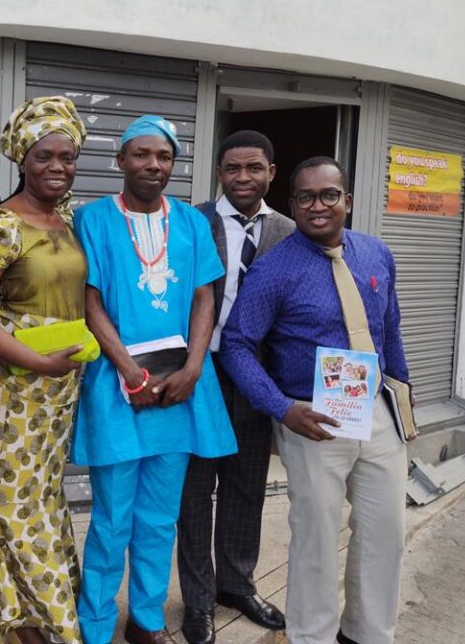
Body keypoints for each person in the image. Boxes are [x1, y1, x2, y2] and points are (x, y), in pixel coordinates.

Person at [220, 156, 412, 644]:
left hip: (375, 411)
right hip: (313, 418)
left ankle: (368, 633)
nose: (318, 205)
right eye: (305, 197)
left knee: (385, 533)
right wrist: (282, 408)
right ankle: (312, 636)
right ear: (293, 205)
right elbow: (238, 343)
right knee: (317, 542)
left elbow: (389, 333)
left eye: (329, 194)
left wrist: (402, 407)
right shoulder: (274, 270)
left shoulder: (376, 254)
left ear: (347, 199)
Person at [72, 115, 238, 644]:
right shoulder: (92, 220)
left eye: (163, 156)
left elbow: (203, 295)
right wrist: (127, 369)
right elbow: (89, 300)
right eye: (141, 155)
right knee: (112, 517)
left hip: (181, 389)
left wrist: (194, 368)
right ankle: (95, 623)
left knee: (159, 517)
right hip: (117, 385)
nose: (153, 165)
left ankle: (146, 620)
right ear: (121, 160)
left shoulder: (190, 222)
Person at [0, 96, 90, 644]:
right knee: (13, 498)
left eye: (68, 157)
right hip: (13, 389)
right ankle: (33, 622)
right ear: (22, 160)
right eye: (45, 157)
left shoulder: (70, 221)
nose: (58, 167)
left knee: (40, 494)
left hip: (61, 388)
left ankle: (13, 614)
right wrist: (33, 360)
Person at [176, 131, 292, 644]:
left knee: (247, 488)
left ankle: (237, 586)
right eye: (232, 169)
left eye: (253, 168)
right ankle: (198, 603)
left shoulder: (289, 230)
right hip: (198, 372)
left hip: (258, 378)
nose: (242, 178)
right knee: (195, 493)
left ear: (271, 171)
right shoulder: (191, 221)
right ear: (219, 172)